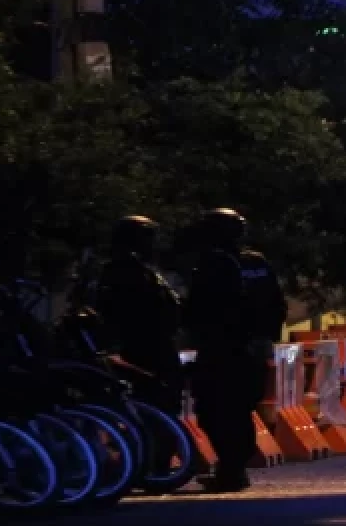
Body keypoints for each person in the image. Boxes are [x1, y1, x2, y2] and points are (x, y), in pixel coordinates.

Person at [184, 208, 287, 493]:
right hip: (255, 347)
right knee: (240, 408)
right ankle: (234, 468)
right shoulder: (256, 262)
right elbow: (277, 303)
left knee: (214, 409)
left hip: (224, 348)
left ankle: (232, 468)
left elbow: (201, 308)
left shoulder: (213, 264)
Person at [95, 216, 183, 416]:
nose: (153, 244)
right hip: (142, 349)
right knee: (153, 405)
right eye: (148, 237)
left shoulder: (144, 270)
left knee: (166, 404)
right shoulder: (123, 271)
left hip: (157, 347)